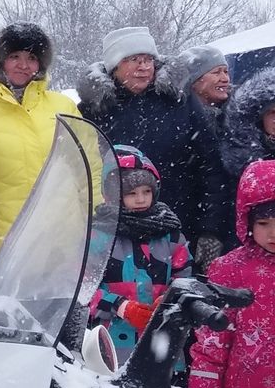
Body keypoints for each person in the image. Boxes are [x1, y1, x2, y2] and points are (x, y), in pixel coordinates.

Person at [78, 27, 228, 268]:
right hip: (119, 234)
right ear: (115, 66)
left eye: (148, 59)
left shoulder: (179, 100)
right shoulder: (95, 109)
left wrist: (211, 230)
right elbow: (81, 172)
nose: (143, 67)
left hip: (180, 226)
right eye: (133, 60)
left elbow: (210, 167)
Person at [0, 22, 80, 255]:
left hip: (62, 241)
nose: (23, 65)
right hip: (6, 243)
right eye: (14, 56)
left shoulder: (64, 106)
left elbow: (87, 168)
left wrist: (92, 219)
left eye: (32, 57)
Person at [189, 159, 275, 388]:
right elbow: (212, 340)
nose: (273, 233)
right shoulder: (230, 270)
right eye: (263, 222)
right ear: (247, 221)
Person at [89, 147, 192, 365]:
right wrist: (120, 306)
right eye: (131, 193)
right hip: (111, 340)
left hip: (161, 336)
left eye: (146, 191)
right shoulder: (99, 236)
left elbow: (184, 274)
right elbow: (83, 287)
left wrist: (169, 299)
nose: (140, 199)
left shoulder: (170, 233)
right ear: (114, 195)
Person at [177, 44, 230, 129]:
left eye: (226, 71)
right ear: (194, 81)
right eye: (216, 72)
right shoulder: (179, 123)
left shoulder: (238, 115)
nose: (225, 79)